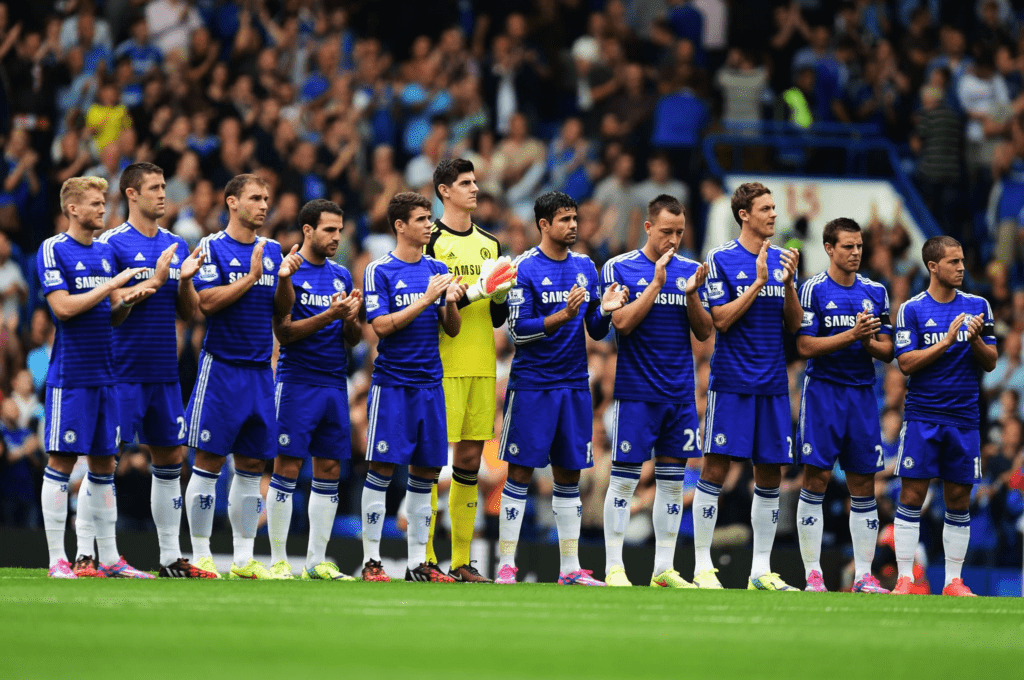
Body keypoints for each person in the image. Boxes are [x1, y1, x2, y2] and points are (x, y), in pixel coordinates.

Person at [77, 162, 214, 579]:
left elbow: (189, 314)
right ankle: (89, 554)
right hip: (121, 371)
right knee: (105, 461)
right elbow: (108, 311)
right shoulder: (111, 243)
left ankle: (171, 557)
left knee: (170, 459)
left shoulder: (175, 243)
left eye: (163, 187)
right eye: (153, 187)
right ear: (131, 195)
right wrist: (143, 289)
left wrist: (186, 280)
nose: (162, 194)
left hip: (164, 373)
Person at [497, 191, 629, 586]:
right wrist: (562, 314)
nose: (573, 225)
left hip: (573, 385)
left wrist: (604, 309)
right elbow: (519, 331)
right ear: (543, 224)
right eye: (565, 219)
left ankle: (570, 568)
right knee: (519, 473)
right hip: (533, 385)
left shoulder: (586, 266)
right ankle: (507, 564)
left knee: (569, 474)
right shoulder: (524, 268)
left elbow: (595, 329)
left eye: (575, 218)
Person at [182, 173, 300, 580]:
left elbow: (282, 312)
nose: (264, 205)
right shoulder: (212, 247)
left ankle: (244, 558)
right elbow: (204, 303)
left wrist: (283, 278)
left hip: (259, 372)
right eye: (255, 198)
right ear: (232, 202)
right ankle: (199, 554)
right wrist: (249, 278)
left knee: (252, 466)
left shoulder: (271, 250)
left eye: (267, 198)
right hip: (222, 368)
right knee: (209, 463)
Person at [37, 176, 150, 578]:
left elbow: (110, 313)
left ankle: (110, 558)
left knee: (105, 467)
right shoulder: (54, 249)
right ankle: (56, 560)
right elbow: (64, 309)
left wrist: (126, 303)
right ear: (73, 209)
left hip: (107, 376)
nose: (103, 209)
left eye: (104, 203)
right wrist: (111, 286)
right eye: (96, 203)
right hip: (71, 378)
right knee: (62, 463)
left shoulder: (104, 253)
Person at [601, 195, 712, 588]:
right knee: (625, 480)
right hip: (636, 392)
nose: (673, 240)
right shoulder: (621, 267)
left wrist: (692, 293)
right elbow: (622, 324)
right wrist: (656, 285)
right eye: (666, 231)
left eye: (679, 232)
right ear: (648, 228)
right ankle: (614, 566)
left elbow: (704, 332)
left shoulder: (691, 270)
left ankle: (662, 568)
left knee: (670, 482)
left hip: (679, 392)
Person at [696, 182, 801, 591]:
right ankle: (703, 565)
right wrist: (757, 283)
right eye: (766, 208)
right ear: (744, 215)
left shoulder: (783, 259)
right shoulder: (721, 258)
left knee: (770, 472)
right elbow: (719, 320)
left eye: (774, 208)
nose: (774, 215)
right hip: (733, 381)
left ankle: (761, 570)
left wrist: (789, 283)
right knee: (717, 467)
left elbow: (795, 325)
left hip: (773, 383)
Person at [360, 192, 467, 583]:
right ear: (400, 226)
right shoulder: (380, 271)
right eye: (423, 219)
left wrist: (451, 301)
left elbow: (452, 330)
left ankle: (418, 563)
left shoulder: (437, 267)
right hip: (393, 385)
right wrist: (426, 299)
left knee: (426, 473)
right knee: (381, 470)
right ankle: (372, 560)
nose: (430, 225)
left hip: (429, 384)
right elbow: (381, 327)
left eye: (430, 218)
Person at [423, 158, 513, 582]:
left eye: (475, 181)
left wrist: (500, 293)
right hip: (440, 364)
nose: (475, 188)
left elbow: (496, 319)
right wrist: (472, 291)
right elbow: (425, 307)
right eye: (465, 183)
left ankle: (461, 561)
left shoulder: (490, 245)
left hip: (481, 363)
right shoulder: (430, 240)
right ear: (444, 191)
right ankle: (424, 559)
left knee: (471, 461)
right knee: (429, 461)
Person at [892, 236, 998, 596]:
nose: (962, 267)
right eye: (953, 262)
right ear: (933, 267)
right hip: (923, 416)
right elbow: (905, 363)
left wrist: (976, 340)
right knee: (912, 495)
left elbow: (991, 362)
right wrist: (947, 341)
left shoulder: (978, 305)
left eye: (963, 260)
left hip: (964, 418)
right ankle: (905, 578)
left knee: (958, 499)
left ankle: (954, 581)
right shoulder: (912, 309)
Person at [794, 217, 894, 593]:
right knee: (815, 480)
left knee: (863, 484)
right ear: (829, 248)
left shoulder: (876, 291)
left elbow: (889, 350)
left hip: (863, 395)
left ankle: (865, 575)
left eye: (859, 246)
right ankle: (813, 574)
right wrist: (851, 334)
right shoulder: (813, 290)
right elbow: (804, 346)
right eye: (848, 247)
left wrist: (868, 342)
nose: (855, 253)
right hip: (823, 393)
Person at [266, 199, 362, 581]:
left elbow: (351, 339)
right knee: (287, 466)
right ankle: (277, 559)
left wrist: (352, 318)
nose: (336, 237)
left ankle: (316, 561)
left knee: (329, 467)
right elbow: (284, 333)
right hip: (296, 382)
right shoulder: (290, 272)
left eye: (339, 230)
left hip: (333, 384)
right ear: (307, 230)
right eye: (328, 230)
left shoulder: (341, 275)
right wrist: (330, 315)